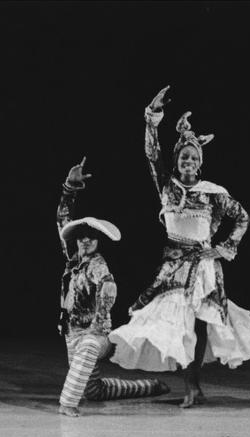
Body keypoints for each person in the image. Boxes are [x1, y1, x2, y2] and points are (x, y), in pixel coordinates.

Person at [109, 86, 250, 408]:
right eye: (184, 157)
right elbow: (150, 153)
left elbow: (242, 217)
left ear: (200, 163)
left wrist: (224, 248)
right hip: (174, 264)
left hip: (203, 266)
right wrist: (152, 118)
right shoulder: (166, 185)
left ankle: (194, 386)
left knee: (199, 324)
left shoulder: (213, 192)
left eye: (194, 157)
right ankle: (190, 385)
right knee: (177, 321)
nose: (188, 161)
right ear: (177, 161)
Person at [57, 157, 169, 418]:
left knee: (88, 348)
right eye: (81, 237)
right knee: (93, 390)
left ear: (97, 242)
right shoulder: (72, 259)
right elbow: (62, 219)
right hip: (71, 332)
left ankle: (67, 403)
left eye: (91, 238)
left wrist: (99, 323)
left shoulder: (97, 264)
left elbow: (108, 285)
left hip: (95, 334)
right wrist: (69, 188)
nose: (85, 240)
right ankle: (148, 386)